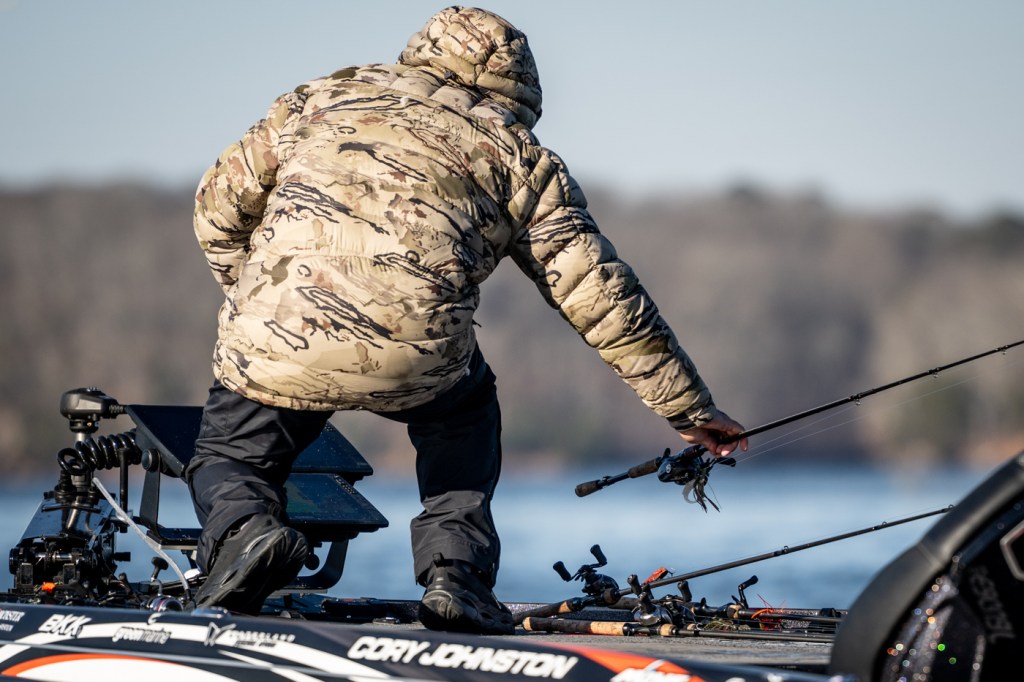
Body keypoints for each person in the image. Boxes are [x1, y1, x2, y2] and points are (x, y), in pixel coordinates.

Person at [183, 5, 747, 634]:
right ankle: (456, 577)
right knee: (464, 417)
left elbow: (216, 212)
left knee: (230, 452)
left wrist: (256, 298)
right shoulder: (519, 157)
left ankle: (248, 532)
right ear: (517, 89)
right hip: (418, 356)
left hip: (275, 336)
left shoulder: (316, 101)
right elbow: (600, 295)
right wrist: (688, 409)